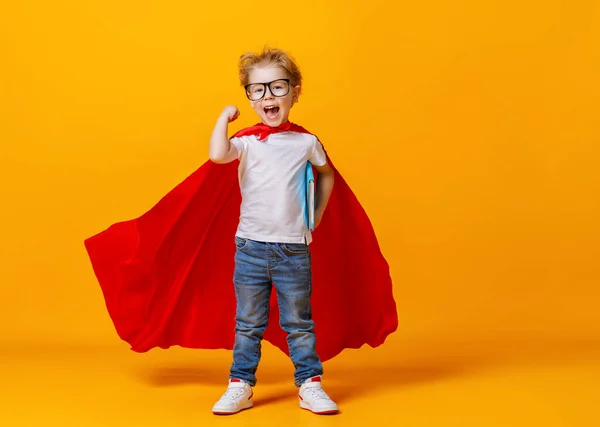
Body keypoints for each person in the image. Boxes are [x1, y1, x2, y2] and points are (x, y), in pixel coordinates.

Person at [209, 47, 338, 415]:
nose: (268, 96)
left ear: (295, 92)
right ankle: (241, 385)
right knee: (248, 323)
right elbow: (218, 155)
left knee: (298, 321)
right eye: (257, 89)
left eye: (277, 87)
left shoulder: (305, 142)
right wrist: (223, 118)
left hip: (293, 248)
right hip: (250, 248)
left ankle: (310, 384)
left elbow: (326, 173)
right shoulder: (247, 142)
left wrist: (317, 214)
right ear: (248, 97)